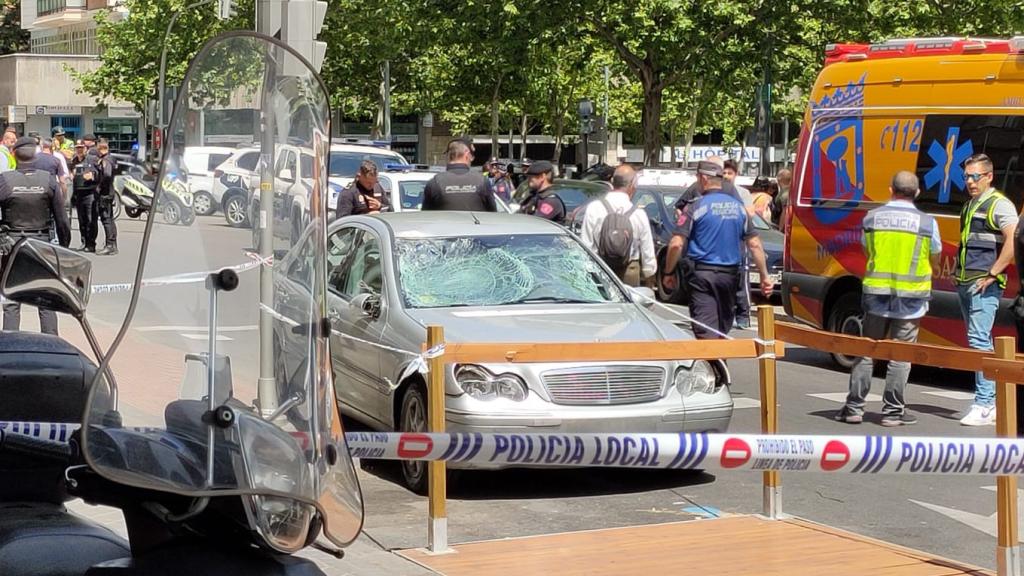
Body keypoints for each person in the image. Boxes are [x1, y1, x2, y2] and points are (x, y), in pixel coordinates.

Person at [834, 171, 939, 427]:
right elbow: (934, 255)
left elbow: (866, 249)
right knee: (900, 355)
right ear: (917, 193)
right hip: (911, 298)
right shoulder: (927, 223)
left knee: (867, 351)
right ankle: (893, 412)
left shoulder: (872, 218)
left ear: (891, 189)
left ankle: (854, 408)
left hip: (876, 294)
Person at [661, 160, 772, 339]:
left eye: (697, 178)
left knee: (706, 332)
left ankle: (716, 365)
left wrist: (669, 272)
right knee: (721, 330)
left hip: (702, 276)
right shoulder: (739, 209)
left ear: (704, 178)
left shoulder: (695, 207)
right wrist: (764, 276)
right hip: (730, 277)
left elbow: (676, 244)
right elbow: (755, 244)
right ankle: (719, 364)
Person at [955, 153, 1017, 426]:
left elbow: (1013, 241)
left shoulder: (999, 205)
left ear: (989, 176)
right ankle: (988, 401)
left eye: (975, 176)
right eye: (967, 176)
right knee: (976, 342)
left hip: (984, 283)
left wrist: (994, 273)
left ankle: (985, 403)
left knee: (980, 342)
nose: (970, 181)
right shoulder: (969, 205)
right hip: (966, 282)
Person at [0, 137, 71, 335]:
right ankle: (52, 345)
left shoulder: (4, 181)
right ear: (36, 154)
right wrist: (64, 248)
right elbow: (62, 219)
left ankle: (10, 346)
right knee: (46, 299)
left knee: (12, 300)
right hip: (42, 244)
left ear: (14, 155)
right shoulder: (48, 180)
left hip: (12, 245)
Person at [579, 164, 656, 286]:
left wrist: (587, 272)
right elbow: (647, 249)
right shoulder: (638, 213)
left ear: (612, 181)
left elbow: (586, 244)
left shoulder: (594, 208)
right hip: (629, 272)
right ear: (632, 184)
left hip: (601, 270)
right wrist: (649, 275)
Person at [422, 138, 496, 212]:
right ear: (467, 155)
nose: (472, 159)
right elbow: (493, 214)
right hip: (475, 223)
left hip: (444, 223)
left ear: (448, 156)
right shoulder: (482, 181)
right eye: (472, 156)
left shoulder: (434, 182)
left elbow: (425, 217)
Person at [70, 140, 98, 252]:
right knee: (81, 220)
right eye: (78, 148)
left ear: (86, 149)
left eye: (81, 147)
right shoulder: (74, 161)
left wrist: (92, 175)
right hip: (78, 193)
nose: (79, 150)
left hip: (90, 193)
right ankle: (84, 241)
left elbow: (99, 172)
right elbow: (70, 173)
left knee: (91, 220)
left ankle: (91, 244)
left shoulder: (91, 160)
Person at [94, 140, 118, 255]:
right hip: (109, 191)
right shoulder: (111, 158)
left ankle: (110, 245)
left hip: (105, 193)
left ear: (100, 148)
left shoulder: (106, 160)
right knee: (110, 218)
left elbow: (107, 174)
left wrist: (100, 186)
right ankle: (113, 244)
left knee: (106, 219)